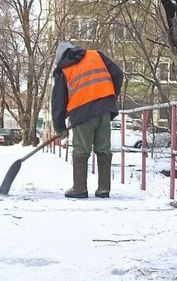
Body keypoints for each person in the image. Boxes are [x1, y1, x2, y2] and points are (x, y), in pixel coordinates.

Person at [51, 41, 124, 199]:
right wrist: (111, 96)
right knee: (103, 148)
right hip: (104, 108)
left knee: (81, 150)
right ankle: (104, 189)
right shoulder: (96, 55)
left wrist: (60, 127)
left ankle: (79, 189)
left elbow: (58, 101)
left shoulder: (64, 69)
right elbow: (118, 74)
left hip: (82, 112)